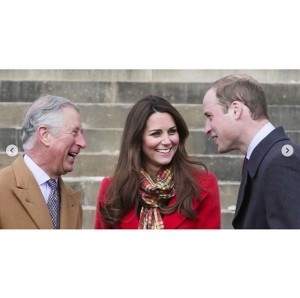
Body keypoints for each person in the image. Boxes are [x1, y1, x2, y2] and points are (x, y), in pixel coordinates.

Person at [94, 95, 221, 229]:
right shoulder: (112, 190)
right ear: (137, 139)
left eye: (172, 132)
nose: (167, 141)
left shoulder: (204, 184)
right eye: (156, 134)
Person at [202, 74, 300, 229]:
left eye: (210, 116)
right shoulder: (264, 158)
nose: (206, 129)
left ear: (235, 110)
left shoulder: (281, 161)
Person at [0, 94, 86, 229]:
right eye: (74, 132)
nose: (82, 143)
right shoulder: (3, 187)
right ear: (45, 135)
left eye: (82, 133)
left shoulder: (73, 202)